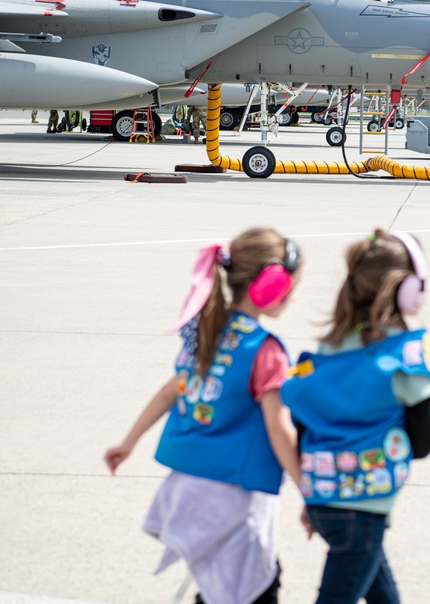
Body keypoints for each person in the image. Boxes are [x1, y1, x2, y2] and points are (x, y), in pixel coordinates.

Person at [104, 227, 303, 604]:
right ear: (273, 285)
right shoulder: (266, 351)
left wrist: (128, 443)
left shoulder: (206, 332)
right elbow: (279, 431)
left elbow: (169, 392)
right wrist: (309, 490)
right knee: (255, 588)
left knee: (226, 587)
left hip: (190, 489)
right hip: (235, 494)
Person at [282, 230, 430, 604]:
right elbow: (422, 444)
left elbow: (305, 422)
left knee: (384, 596)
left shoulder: (329, 346)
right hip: (364, 507)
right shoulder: (406, 355)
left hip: (324, 499)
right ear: (407, 288)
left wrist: (317, 492)